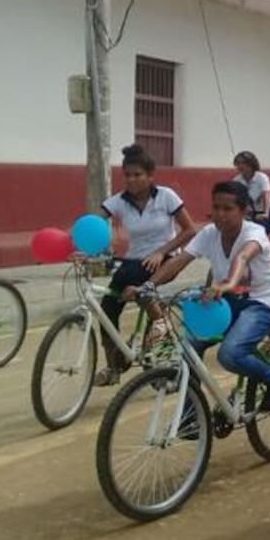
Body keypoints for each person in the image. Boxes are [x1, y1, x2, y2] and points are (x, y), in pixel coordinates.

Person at [126, 181, 270, 412]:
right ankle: (192, 415)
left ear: (243, 211)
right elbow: (179, 261)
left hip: (261, 303)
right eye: (216, 207)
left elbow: (242, 257)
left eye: (228, 209)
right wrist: (147, 286)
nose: (220, 214)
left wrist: (229, 284)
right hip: (226, 302)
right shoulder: (210, 233)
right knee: (189, 346)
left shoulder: (255, 233)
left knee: (230, 354)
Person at [96, 144, 197, 384]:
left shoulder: (166, 197)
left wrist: (161, 252)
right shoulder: (119, 201)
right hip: (134, 261)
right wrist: (80, 247)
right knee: (107, 309)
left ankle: (160, 335)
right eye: (128, 175)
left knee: (139, 287)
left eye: (138, 174)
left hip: (166, 260)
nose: (131, 180)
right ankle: (114, 366)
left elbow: (190, 230)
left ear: (150, 176)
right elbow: (94, 221)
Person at [233, 151, 270, 235]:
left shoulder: (261, 177)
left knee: (258, 234)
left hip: (269, 211)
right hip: (252, 213)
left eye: (243, 163)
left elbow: (266, 195)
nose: (240, 166)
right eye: (237, 163)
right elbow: (236, 199)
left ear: (251, 164)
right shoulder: (237, 180)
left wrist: (266, 213)